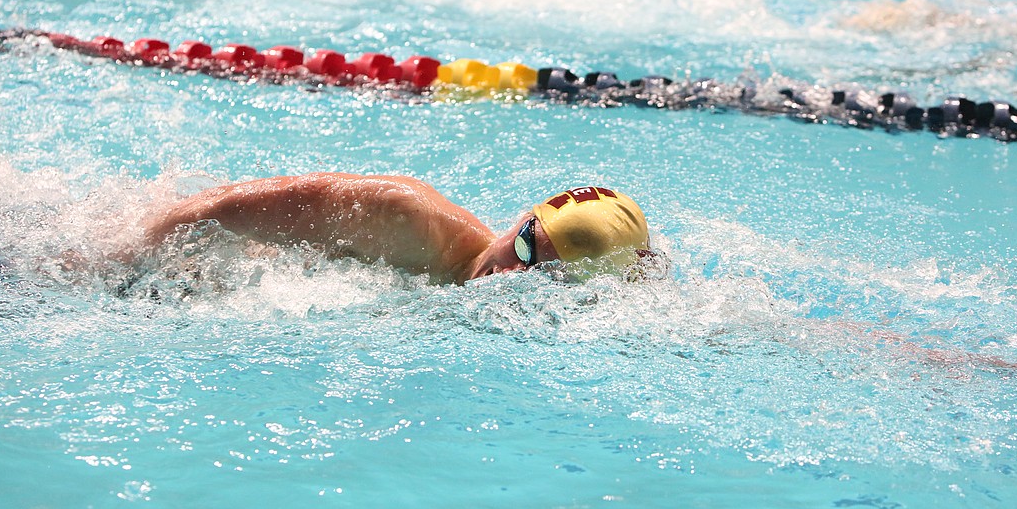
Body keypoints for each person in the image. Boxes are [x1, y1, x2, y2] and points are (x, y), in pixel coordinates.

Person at [141, 173, 651, 285]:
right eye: (524, 246)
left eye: (547, 278)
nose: (511, 275)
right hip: (193, 268)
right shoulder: (405, 218)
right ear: (521, 219)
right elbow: (220, 208)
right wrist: (124, 258)